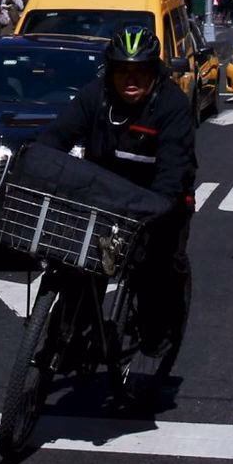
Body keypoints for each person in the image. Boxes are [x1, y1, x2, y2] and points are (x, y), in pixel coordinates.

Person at [37, 25, 195, 353]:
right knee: (77, 258)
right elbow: (57, 136)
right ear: (110, 71)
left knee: (158, 266)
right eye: (122, 70)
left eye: (140, 71)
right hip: (105, 193)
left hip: (157, 199)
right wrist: (37, 164)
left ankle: (160, 328)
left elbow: (173, 166)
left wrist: (159, 205)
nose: (130, 79)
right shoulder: (96, 95)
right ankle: (70, 329)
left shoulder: (172, 105)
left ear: (155, 73)